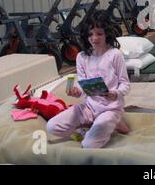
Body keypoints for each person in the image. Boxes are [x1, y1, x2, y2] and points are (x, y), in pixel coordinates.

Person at [47, 10, 131, 148]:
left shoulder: (115, 55)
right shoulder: (81, 57)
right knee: (52, 127)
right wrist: (77, 91)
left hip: (111, 108)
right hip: (89, 107)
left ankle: (112, 120)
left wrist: (114, 93)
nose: (94, 38)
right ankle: (96, 123)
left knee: (88, 144)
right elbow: (82, 83)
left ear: (107, 34)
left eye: (99, 33)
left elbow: (125, 84)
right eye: (90, 34)